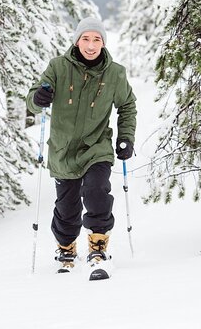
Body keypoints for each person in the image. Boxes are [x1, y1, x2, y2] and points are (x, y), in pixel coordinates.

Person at [26, 17, 137, 280]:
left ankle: (98, 248)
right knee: (67, 207)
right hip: (63, 151)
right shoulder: (58, 67)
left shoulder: (115, 73)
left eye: (96, 39)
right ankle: (66, 249)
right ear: (77, 41)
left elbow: (127, 106)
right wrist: (38, 98)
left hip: (96, 147)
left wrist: (126, 137)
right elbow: (33, 100)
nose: (91, 44)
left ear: (103, 43)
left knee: (97, 190)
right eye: (86, 38)